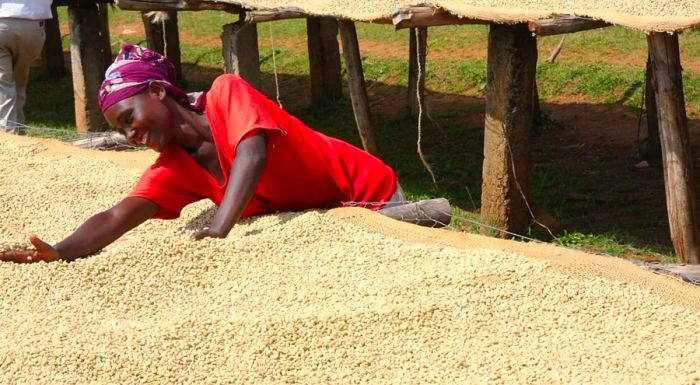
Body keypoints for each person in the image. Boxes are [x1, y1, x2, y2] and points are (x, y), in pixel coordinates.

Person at [0, 44, 406, 264]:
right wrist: (61, 250)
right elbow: (116, 216)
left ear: (157, 92)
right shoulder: (176, 167)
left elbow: (251, 152)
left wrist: (219, 228)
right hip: (328, 214)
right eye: (120, 130)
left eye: (129, 117)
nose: (128, 134)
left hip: (372, 194)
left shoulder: (226, 93)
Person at [0, 0, 52, 133]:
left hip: (2, 23)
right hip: (34, 27)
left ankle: (9, 138)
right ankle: (19, 135)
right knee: (18, 84)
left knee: (4, 86)